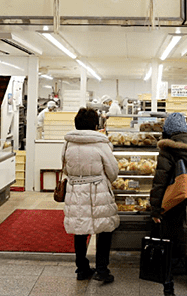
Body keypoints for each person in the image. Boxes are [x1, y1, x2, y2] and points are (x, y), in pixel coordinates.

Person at [150, 112, 187, 296]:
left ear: (167, 131)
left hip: (174, 206)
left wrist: (155, 210)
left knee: (168, 252)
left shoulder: (167, 150)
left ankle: (169, 290)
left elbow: (159, 183)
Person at [62, 107, 119, 283]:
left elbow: (64, 168)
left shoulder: (68, 143)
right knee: (104, 230)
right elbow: (113, 171)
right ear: (95, 125)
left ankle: (82, 268)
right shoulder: (101, 143)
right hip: (98, 190)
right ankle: (102, 270)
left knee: (80, 230)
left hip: (76, 190)